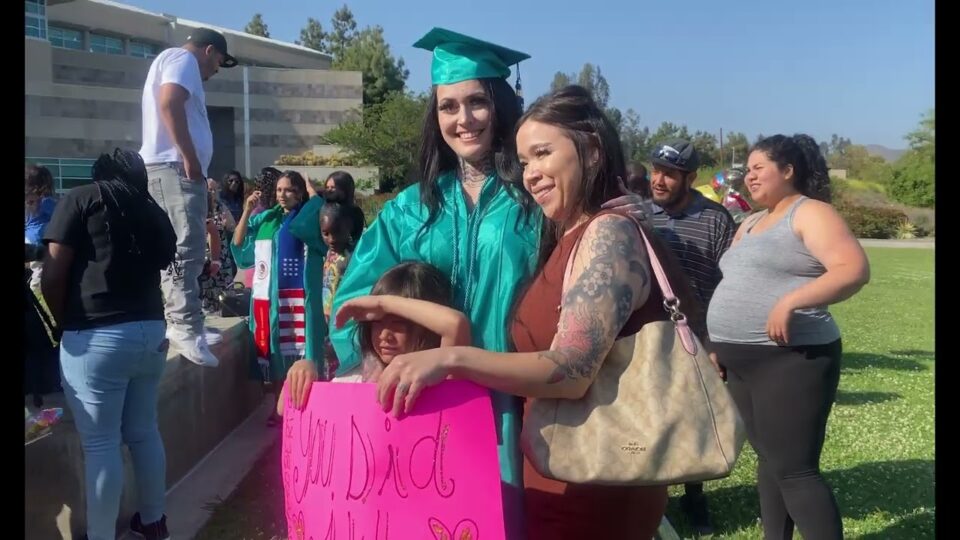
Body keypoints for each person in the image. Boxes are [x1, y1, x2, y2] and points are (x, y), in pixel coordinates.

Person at [370, 85, 697, 539]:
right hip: (558, 466)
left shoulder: (608, 235)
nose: (531, 174)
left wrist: (449, 359)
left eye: (543, 154)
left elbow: (571, 370)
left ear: (593, 151)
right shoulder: (566, 234)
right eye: (524, 162)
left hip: (594, 481)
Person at [707, 134, 870, 540]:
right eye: (747, 169)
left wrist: (791, 302)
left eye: (759, 167)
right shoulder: (750, 221)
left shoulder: (810, 212)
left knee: (796, 471)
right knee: (771, 461)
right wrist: (718, 344)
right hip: (741, 361)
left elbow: (852, 269)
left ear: (788, 171)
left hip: (793, 357)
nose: (750, 175)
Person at [41, 149, 178, 540]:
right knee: (143, 431)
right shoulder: (151, 210)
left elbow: (52, 274)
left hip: (96, 334)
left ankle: (101, 535)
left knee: (101, 445)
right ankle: (154, 522)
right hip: (151, 331)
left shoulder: (81, 198)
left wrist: (60, 321)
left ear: (99, 173)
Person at [647, 138, 736, 534]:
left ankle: (695, 498)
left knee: (696, 421)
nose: (658, 180)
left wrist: (716, 344)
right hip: (651, 337)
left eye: (669, 174)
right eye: (655, 171)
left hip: (699, 335)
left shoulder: (716, 220)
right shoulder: (643, 214)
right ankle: (653, 499)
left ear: (691, 178)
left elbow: (729, 286)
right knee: (654, 418)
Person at [138, 27, 238, 367]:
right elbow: (169, 102)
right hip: (174, 167)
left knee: (184, 246)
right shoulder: (182, 59)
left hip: (170, 167)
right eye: (218, 64)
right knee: (186, 245)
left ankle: (187, 322)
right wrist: (190, 157)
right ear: (209, 51)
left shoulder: (173, 60)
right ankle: (183, 326)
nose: (213, 73)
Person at [278, 261, 469, 414]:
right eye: (377, 323)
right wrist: (301, 370)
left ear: (427, 328)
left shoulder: (443, 379)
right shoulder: (358, 379)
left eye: (399, 324)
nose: (385, 335)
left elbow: (455, 325)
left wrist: (382, 304)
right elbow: (284, 409)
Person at [231, 170, 327, 426]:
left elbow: (319, 206)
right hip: (267, 299)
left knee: (297, 351)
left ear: (299, 194)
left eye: (290, 190)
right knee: (274, 355)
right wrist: (246, 210)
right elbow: (240, 248)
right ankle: (279, 408)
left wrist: (311, 189)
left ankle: (300, 407)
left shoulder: (306, 219)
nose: (283, 195)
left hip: (295, 298)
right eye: (279, 190)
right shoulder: (267, 220)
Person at [319, 201, 356, 379]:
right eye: (326, 234)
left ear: (347, 228)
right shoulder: (326, 254)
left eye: (337, 232)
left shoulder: (353, 256)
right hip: (327, 323)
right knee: (329, 370)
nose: (332, 239)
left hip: (345, 323)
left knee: (344, 369)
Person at [198, 178, 237, 315]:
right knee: (206, 287)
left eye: (215, 189)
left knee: (224, 287)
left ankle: (225, 310)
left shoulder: (221, 206)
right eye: (210, 189)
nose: (212, 192)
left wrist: (227, 223)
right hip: (205, 253)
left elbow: (232, 226)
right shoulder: (199, 206)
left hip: (222, 253)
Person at [25, 165, 58, 290]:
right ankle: (37, 289)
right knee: (41, 269)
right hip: (39, 241)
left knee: (35, 269)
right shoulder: (46, 202)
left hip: (29, 239)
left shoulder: (30, 204)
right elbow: (60, 215)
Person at [322, 170, 366, 243]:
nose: (329, 190)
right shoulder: (324, 208)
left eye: (333, 187)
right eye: (327, 187)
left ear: (345, 189)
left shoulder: (354, 212)